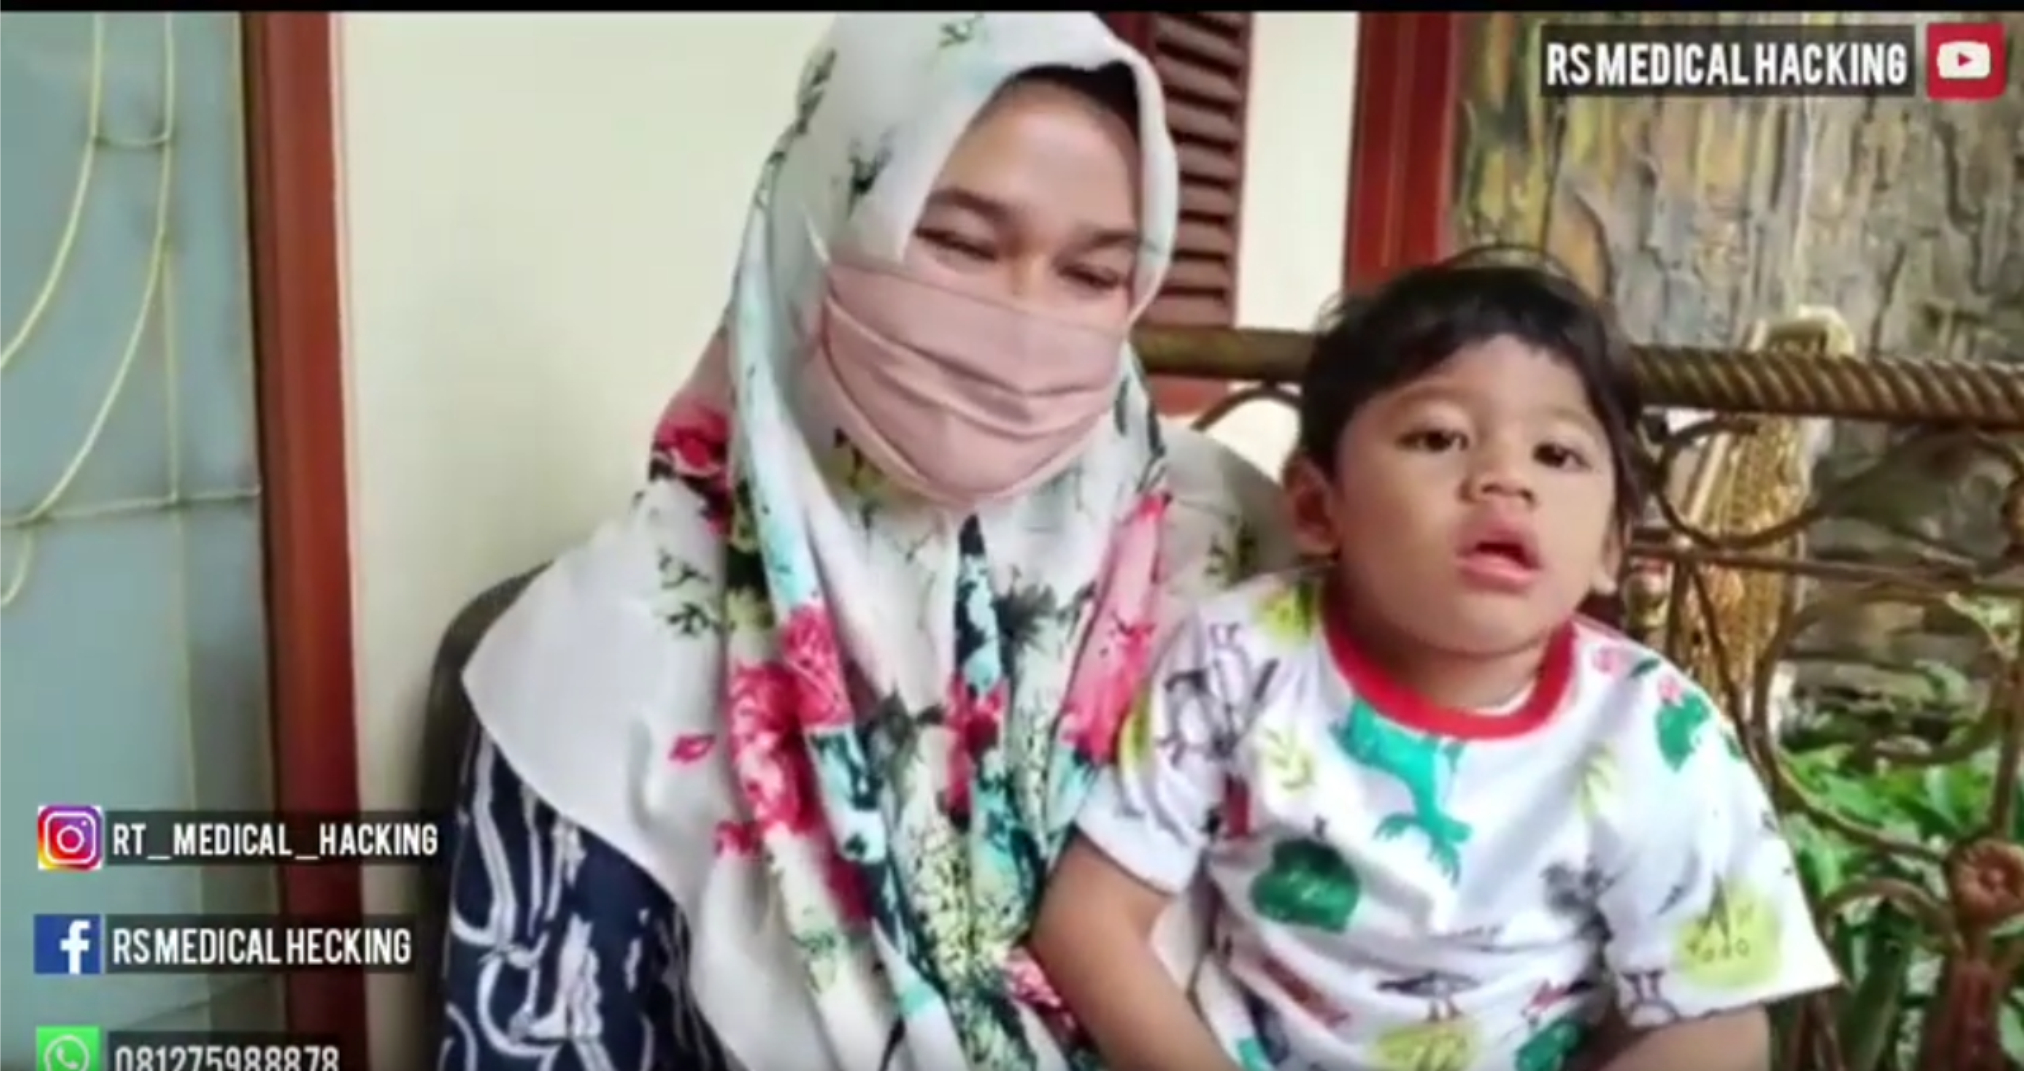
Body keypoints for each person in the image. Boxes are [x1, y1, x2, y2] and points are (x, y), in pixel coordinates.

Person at [437, 13, 1294, 1071]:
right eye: (960, 244)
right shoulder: (611, 648)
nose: (1023, 322)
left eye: (1090, 274)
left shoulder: (1234, 555)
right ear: (820, 219)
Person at [1031, 257, 1841, 1071]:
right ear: (1317, 505)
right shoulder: (1242, 654)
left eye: (1557, 453)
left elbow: (1721, 1025)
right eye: (1439, 437)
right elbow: (1089, 920)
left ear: (1610, 544)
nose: (1504, 479)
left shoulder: (1654, 728)